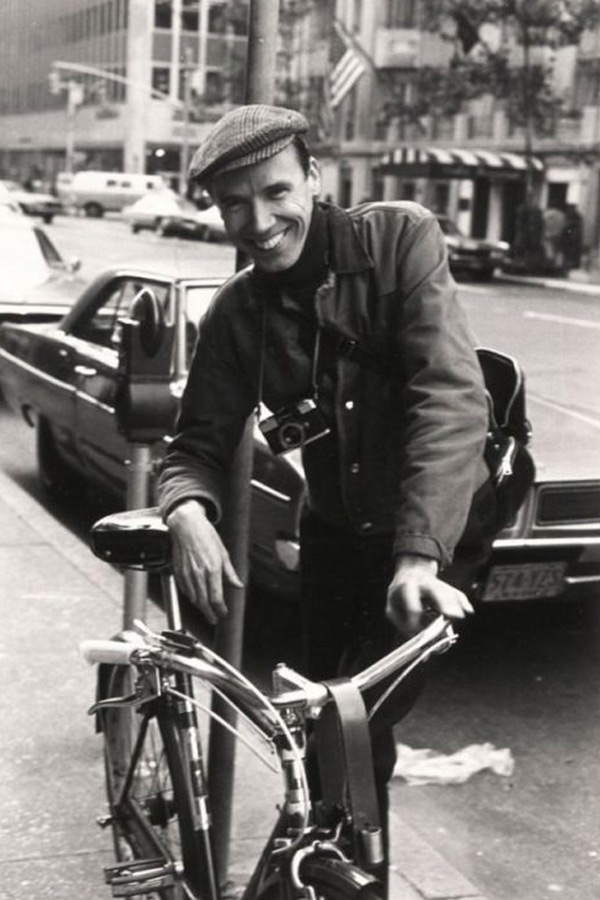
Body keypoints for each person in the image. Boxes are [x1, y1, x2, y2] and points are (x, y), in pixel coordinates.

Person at [156, 104, 493, 893]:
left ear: (314, 176)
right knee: (316, 738)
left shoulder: (398, 238)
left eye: (275, 192)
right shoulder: (237, 313)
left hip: (434, 530)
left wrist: (417, 557)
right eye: (233, 204)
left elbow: (448, 397)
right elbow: (195, 442)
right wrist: (188, 511)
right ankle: (319, 868)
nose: (260, 222)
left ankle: (331, 879)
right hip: (337, 532)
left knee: (353, 732)